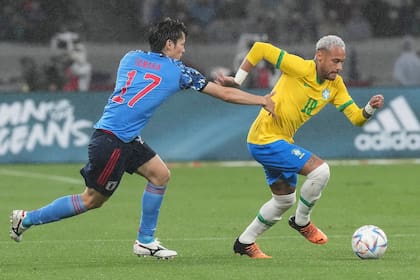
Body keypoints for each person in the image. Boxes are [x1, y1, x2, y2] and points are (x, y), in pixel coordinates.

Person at [10, 17, 275, 259]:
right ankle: (27, 218)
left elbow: (152, 76)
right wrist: (262, 99)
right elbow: (225, 95)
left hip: (120, 136)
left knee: (160, 174)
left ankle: (145, 241)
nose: (184, 49)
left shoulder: (130, 57)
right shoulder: (178, 71)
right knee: (92, 200)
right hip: (112, 141)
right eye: (182, 44)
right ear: (170, 44)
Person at [216, 35, 384, 258]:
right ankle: (301, 221)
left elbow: (356, 117)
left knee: (284, 199)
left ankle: (244, 242)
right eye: (335, 61)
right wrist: (238, 80)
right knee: (320, 171)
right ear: (320, 56)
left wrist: (370, 109)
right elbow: (260, 49)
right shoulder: (299, 67)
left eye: (342, 62)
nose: (339, 67)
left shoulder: (335, 85)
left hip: (280, 141)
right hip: (264, 139)